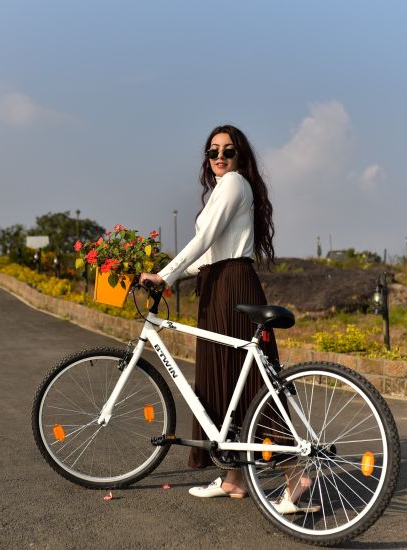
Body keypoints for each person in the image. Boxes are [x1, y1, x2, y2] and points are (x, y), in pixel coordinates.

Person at [140, 124, 301, 503]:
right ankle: (235, 478)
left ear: (240, 156)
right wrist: (172, 276)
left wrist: (163, 276)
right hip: (218, 284)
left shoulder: (233, 184)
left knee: (247, 385)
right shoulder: (222, 190)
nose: (220, 158)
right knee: (228, 383)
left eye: (228, 151)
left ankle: (295, 474)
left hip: (232, 288)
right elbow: (209, 255)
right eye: (213, 152)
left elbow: (204, 239)